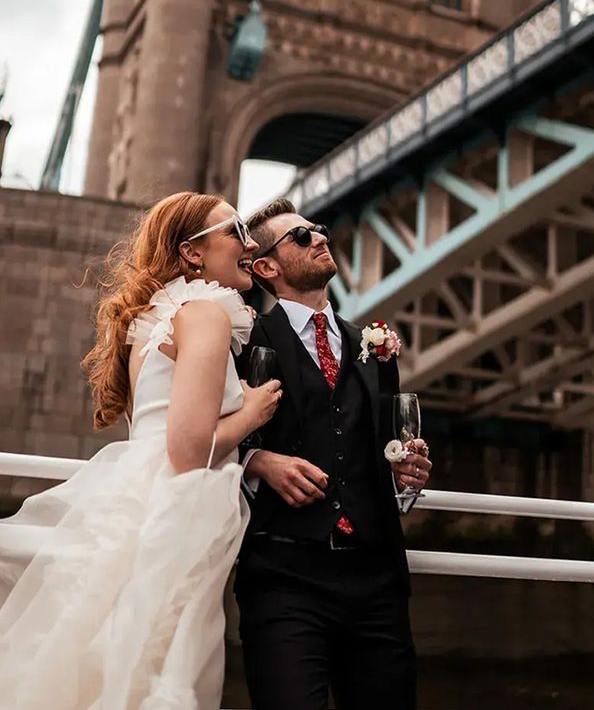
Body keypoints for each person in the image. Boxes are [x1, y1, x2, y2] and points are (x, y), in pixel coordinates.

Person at [0, 191, 282, 710]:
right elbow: (187, 449)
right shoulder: (205, 314)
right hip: (176, 512)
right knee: (156, 667)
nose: (250, 244)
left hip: (135, 500)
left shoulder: (156, 317)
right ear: (192, 253)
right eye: (235, 231)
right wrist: (253, 411)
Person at [235, 198, 432, 710]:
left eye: (319, 228)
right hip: (284, 578)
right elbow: (205, 437)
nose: (320, 237)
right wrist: (257, 461)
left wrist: (404, 472)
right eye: (301, 236)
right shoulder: (246, 340)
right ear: (266, 267)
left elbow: (383, 449)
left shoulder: (374, 347)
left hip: (377, 579)